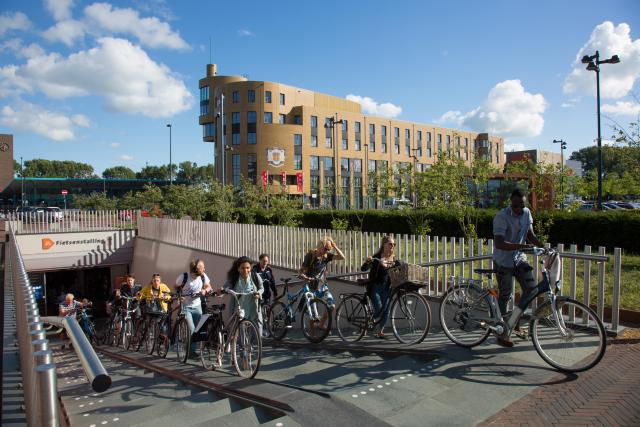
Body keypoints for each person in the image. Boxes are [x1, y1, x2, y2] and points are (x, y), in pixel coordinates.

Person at [493, 188, 545, 347]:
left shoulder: (526, 213)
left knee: (531, 289)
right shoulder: (501, 217)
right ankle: (502, 331)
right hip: (503, 261)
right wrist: (521, 245)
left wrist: (543, 247)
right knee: (505, 294)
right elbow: (499, 243)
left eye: (521, 206)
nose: (518, 210)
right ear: (511, 203)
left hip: (519, 259)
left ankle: (514, 321)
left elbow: (529, 234)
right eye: (515, 206)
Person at [299, 237, 345, 330]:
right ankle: (312, 336)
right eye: (326, 249)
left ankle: (321, 324)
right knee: (313, 314)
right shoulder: (310, 256)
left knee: (331, 306)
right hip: (311, 287)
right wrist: (303, 276)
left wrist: (334, 246)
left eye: (329, 249)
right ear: (320, 246)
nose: (327, 251)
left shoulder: (326, 256)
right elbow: (301, 270)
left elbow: (342, 257)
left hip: (322, 286)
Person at [361, 235, 400, 339]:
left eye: (394, 244)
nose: (393, 246)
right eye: (390, 244)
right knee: (379, 309)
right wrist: (368, 261)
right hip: (375, 287)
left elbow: (397, 271)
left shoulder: (393, 258)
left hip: (386, 287)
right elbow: (363, 268)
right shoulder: (377, 256)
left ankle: (380, 331)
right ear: (384, 245)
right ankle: (366, 323)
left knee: (386, 311)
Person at [175, 259, 213, 358]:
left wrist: (205, 290)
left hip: (197, 306)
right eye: (202, 267)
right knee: (191, 328)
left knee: (198, 329)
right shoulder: (184, 277)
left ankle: (192, 349)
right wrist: (179, 295)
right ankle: (190, 351)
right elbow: (175, 287)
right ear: (197, 268)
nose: (204, 268)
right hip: (185, 306)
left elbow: (209, 286)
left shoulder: (203, 276)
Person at [224, 256, 264, 334]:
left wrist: (258, 293)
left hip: (253, 308)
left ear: (250, 268)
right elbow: (225, 287)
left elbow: (262, 288)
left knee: (256, 331)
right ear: (238, 268)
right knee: (240, 331)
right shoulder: (234, 278)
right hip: (240, 309)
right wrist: (221, 290)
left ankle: (251, 345)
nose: (245, 270)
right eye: (242, 268)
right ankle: (243, 345)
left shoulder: (255, 276)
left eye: (247, 268)